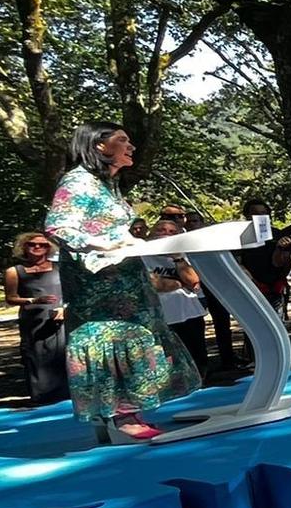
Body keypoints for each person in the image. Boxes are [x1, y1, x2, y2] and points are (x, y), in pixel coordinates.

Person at [43, 123, 201, 441]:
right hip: (100, 288)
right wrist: (106, 245)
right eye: (122, 140)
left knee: (136, 340)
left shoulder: (107, 184)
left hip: (127, 281)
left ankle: (127, 413)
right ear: (100, 146)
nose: (131, 146)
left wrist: (129, 245)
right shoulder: (78, 181)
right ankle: (120, 417)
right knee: (111, 343)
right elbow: (58, 227)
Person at [2, 231, 67, 403]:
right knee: (36, 356)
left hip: (60, 317)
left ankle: (67, 394)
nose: (38, 247)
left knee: (63, 353)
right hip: (33, 320)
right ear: (24, 247)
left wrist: (64, 309)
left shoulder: (60, 268)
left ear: (49, 248)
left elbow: (72, 292)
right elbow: (11, 298)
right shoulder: (14, 272)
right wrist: (33, 300)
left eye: (43, 245)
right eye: (32, 244)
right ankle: (42, 397)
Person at [143, 214, 209, 373]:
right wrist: (179, 283)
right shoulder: (141, 256)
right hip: (161, 317)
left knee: (197, 358)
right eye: (161, 230)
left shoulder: (185, 255)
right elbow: (154, 284)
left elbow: (193, 282)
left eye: (172, 232)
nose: (166, 234)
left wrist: (178, 258)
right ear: (151, 234)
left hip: (190, 313)